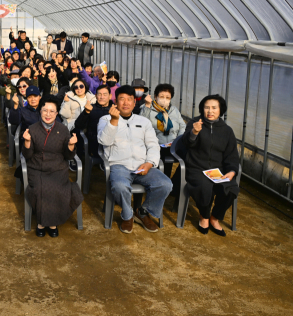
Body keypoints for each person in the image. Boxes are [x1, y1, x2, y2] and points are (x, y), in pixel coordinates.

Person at [97, 85, 172, 234]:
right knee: (119, 186)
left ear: (134, 102)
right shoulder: (105, 119)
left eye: (129, 99)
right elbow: (104, 141)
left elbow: (153, 145)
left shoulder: (143, 121)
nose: (125, 103)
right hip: (119, 165)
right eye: (121, 99)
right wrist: (114, 121)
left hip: (142, 165)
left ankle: (143, 211)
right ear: (115, 102)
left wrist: (149, 163)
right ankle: (127, 215)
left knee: (165, 184)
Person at [23, 100, 83, 237]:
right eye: (45, 110)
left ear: (56, 114)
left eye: (52, 111)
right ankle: (42, 223)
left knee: (58, 189)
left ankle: (52, 223)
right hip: (37, 168)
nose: (48, 114)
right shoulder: (32, 129)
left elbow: (68, 156)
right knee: (40, 189)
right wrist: (27, 141)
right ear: (40, 112)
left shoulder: (63, 129)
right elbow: (27, 155)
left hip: (58, 168)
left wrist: (71, 145)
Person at [183, 95, 240, 236]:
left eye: (214, 108)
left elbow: (232, 155)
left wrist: (232, 171)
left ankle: (215, 218)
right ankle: (204, 216)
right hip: (196, 167)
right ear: (202, 109)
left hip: (217, 171)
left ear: (221, 110)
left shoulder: (227, 131)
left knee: (231, 188)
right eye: (206, 107)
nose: (210, 111)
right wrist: (194, 133)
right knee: (204, 186)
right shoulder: (195, 123)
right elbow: (185, 144)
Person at [73, 84, 112, 158]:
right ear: (96, 96)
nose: (102, 97)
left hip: (112, 142)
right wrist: (86, 112)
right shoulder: (90, 108)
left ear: (110, 96)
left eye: (105, 94)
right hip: (95, 142)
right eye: (99, 94)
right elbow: (78, 125)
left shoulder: (114, 109)